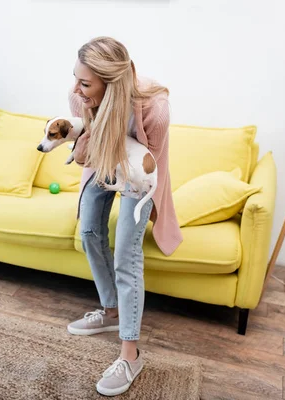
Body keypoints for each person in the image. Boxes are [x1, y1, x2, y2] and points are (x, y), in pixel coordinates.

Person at [65, 37, 183, 396]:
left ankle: (130, 355)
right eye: (76, 79)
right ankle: (110, 309)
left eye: (85, 84)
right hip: (105, 163)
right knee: (88, 231)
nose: (76, 90)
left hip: (138, 177)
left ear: (111, 83)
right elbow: (84, 148)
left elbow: (147, 166)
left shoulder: (154, 109)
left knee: (125, 256)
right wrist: (81, 147)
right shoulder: (79, 98)